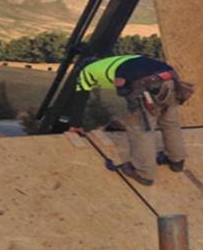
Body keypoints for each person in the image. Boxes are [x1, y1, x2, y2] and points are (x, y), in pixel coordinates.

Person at [75, 54, 193, 185]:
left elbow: (80, 97)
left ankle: (144, 173)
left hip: (147, 86)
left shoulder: (87, 71)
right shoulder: (119, 60)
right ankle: (176, 161)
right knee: (170, 123)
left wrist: (75, 123)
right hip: (170, 78)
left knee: (140, 129)